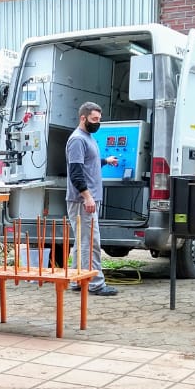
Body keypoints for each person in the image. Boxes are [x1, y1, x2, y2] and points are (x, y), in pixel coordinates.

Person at [66, 102, 117, 296]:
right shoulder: (77, 140)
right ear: (83, 118)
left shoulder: (88, 138)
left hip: (87, 199)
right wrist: (87, 197)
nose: (97, 122)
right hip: (82, 201)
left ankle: (77, 280)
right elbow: (76, 172)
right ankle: (95, 284)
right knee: (90, 242)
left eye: (99, 119)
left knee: (82, 242)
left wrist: (106, 161)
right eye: (94, 119)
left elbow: (89, 163)